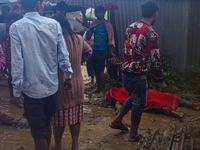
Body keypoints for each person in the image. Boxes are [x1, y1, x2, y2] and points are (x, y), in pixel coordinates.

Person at [10, 0, 73, 150]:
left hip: (31, 90)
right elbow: (63, 54)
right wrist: (68, 76)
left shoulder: (16, 27)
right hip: (51, 87)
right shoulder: (54, 24)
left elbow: (17, 62)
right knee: (47, 123)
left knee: (38, 133)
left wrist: (16, 92)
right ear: (39, 4)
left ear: (21, 6)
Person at [109, 0, 167, 142]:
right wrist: (161, 81)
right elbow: (155, 59)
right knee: (139, 103)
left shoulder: (130, 27)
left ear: (142, 13)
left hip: (125, 71)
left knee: (136, 96)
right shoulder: (151, 33)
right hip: (138, 75)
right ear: (155, 14)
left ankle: (117, 119)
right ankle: (133, 134)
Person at [50, 13, 92, 150]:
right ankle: (75, 145)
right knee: (76, 116)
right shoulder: (79, 38)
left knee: (58, 119)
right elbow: (89, 51)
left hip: (62, 84)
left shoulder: (54, 40)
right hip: (78, 83)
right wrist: (78, 62)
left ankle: (58, 146)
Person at [107, 87, 200, 122]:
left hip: (142, 97)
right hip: (147, 92)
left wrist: (118, 111)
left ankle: (178, 114)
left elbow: (119, 106)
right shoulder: (124, 87)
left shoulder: (115, 95)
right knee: (168, 97)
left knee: (157, 104)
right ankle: (194, 105)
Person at [86, 5, 116, 97]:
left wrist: (111, 52)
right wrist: (89, 30)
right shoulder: (94, 24)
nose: (100, 14)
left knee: (101, 71)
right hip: (94, 49)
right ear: (95, 14)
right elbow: (88, 37)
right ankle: (98, 87)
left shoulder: (107, 24)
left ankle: (103, 90)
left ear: (104, 13)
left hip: (103, 51)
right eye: (98, 12)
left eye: (102, 12)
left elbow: (111, 39)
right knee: (95, 69)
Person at [1, 12, 23, 100]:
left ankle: (12, 97)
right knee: (12, 76)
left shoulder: (9, 30)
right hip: (6, 59)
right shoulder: (3, 30)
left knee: (12, 76)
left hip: (9, 60)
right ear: (12, 21)